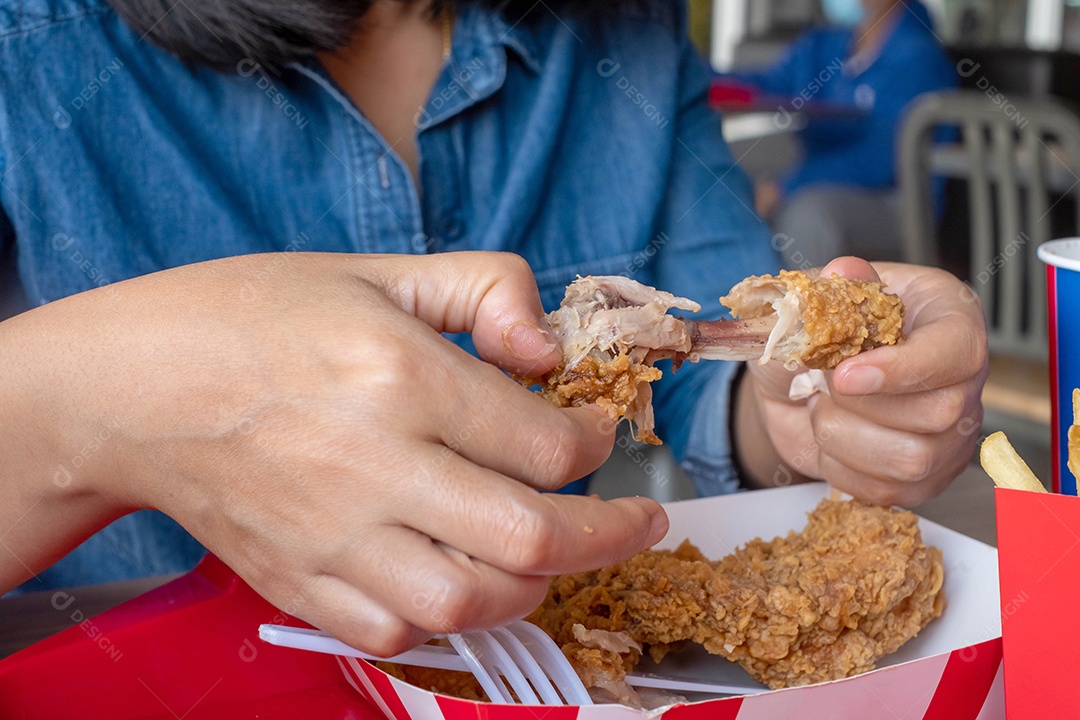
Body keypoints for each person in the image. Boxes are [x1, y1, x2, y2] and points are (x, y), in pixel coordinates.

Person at [0, 0, 986, 657]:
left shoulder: (625, 35)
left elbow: (713, 368)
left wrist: (815, 412)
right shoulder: (32, 45)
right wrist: (117, 405)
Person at [723, 0, 956, 267]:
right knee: (734, 196)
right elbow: (765, 86)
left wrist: (782, 188)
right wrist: (696, 77)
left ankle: (804, 307)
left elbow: (881, 160)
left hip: (898, 203)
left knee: (809, 217)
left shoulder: (919, 57)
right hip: (812, 185)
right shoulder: (825, 44)